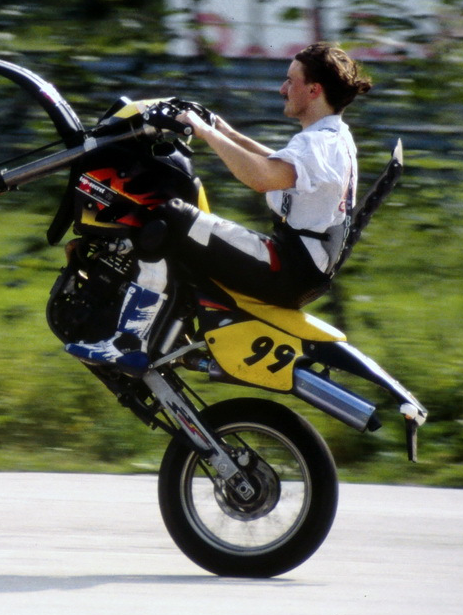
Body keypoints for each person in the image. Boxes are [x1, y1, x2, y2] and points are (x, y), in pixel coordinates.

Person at [65, 42, 371, 371]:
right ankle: (165, 328)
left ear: (313, 90)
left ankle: (129, 341)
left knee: (166, 216)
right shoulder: (332, 137)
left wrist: (204, 131)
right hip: (300, 268)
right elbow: (277, 162)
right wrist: (224, 130)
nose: (282, 89)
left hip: (289, 268)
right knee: (187, 230)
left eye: (290, 81)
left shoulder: (319, 142)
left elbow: (262, 177)